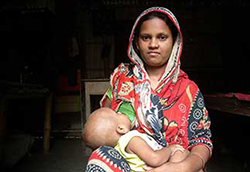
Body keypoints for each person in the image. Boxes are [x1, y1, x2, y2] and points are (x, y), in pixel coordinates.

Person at [85, 6, 213, 172]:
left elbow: (201, 140)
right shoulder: (122, 79)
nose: (153, 44)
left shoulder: (188, 90)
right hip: (130, 163)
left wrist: (182, 167)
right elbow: (104, 127)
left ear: (174, 41)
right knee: (98, 159)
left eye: (162, 37)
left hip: (176, 162)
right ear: (136, 42)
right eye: (146, 37)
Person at [83, 107, 187, 172]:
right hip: (157, 167)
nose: (120, 112)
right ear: (120, 129)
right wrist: (170, 149)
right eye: (117, 113)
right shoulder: (131, 140)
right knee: (180, 154)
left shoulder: (120, 147)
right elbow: (155, 159)